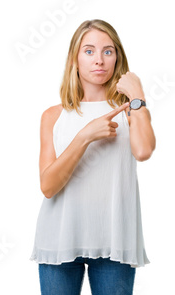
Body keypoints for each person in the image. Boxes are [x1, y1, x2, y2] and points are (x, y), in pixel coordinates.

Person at [31, 19, 155, 295]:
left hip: (115, 242)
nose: (99, 60)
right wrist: (84, 136)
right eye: (89, 51)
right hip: (59, 240)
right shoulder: (54, 116)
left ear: (117, 58)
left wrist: (138, 97)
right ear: (74, 59)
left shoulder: (131, 110)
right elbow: (48, 186)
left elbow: (144, 151)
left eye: (107, 51)